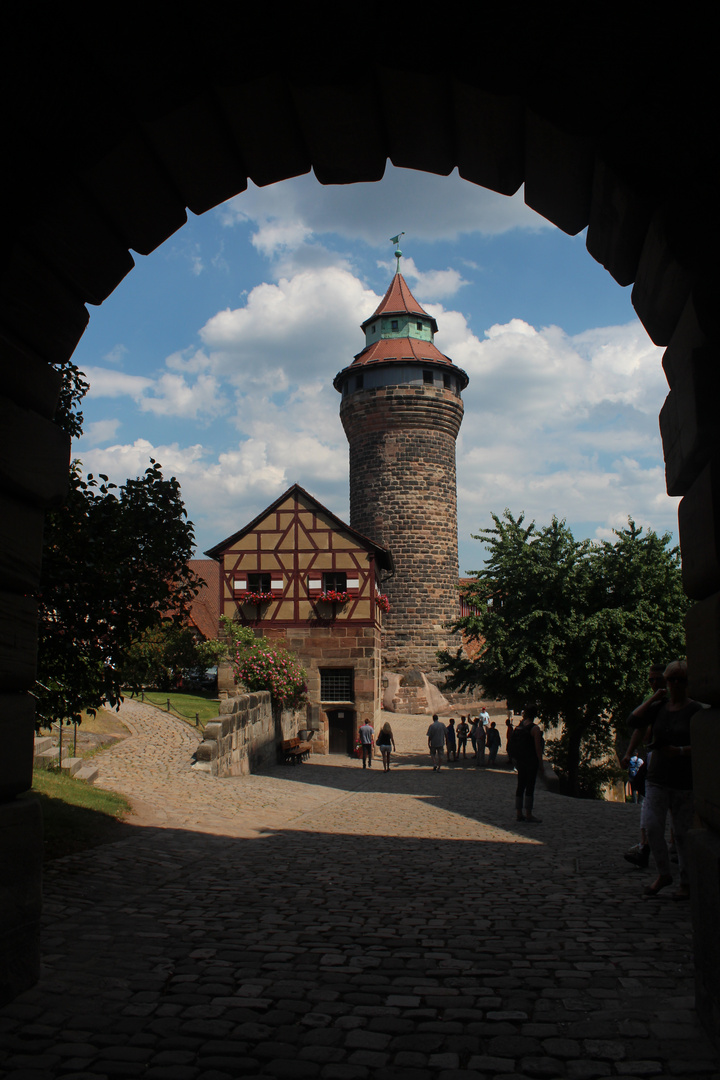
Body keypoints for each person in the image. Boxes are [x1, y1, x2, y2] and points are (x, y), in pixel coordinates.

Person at [640, 660, 701, 899]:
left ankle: (685, 881)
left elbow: (705, 745)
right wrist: (653, 699)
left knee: (683, 833)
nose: (674, 684)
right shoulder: (660, 708)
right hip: (657, 776)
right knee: (652, 825)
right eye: (671, 680)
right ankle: (664, 873)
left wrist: (681, 751)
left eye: (680, 680)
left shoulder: (696, 710)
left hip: (683, 780)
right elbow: (634, 722)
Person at [621, 663, 667, 867]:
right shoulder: (651, 702)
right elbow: (636, 725)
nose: (654, 683)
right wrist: (629, 752)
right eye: (651, 680)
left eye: (659, 679)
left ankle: (670, 846)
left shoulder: (680, 702)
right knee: (648, 805)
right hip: (655, 760)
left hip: (676, 760)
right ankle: (644, 846)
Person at [509, 704, 544, 822]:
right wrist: (541, 763)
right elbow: (538, 748)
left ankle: (519, 812)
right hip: (530, 760)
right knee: (530, 786)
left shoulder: (520, 726)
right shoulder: (535, 729)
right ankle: (528, 813)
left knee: (520, 786)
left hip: (520, 760)